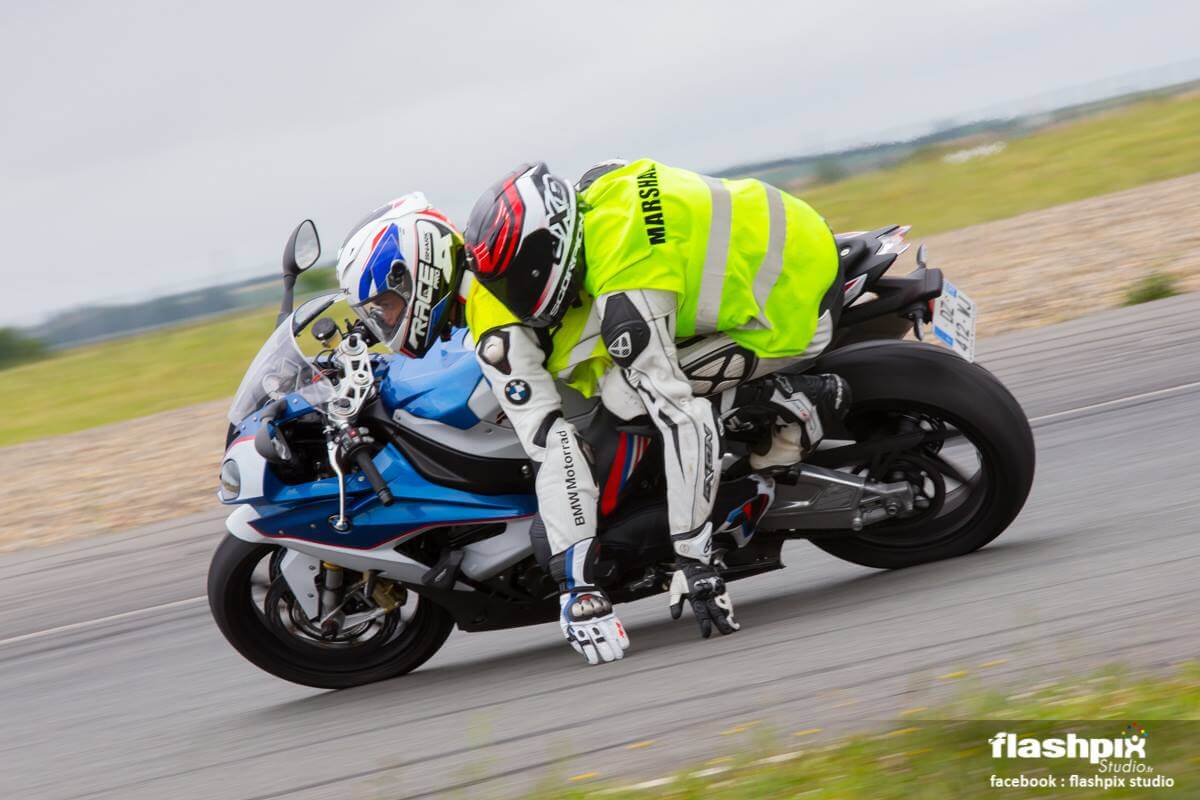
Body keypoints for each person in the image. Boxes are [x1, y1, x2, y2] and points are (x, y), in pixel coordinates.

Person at [458, 160, 850, 666]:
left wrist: (695, 560)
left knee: (633, 393)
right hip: (793, 238)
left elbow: (683, 418)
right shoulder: (597, 192)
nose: (513, 296)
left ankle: (792, 401)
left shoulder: (628, 285)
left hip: (790, 307)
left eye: (518, 278)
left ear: (548, 252)